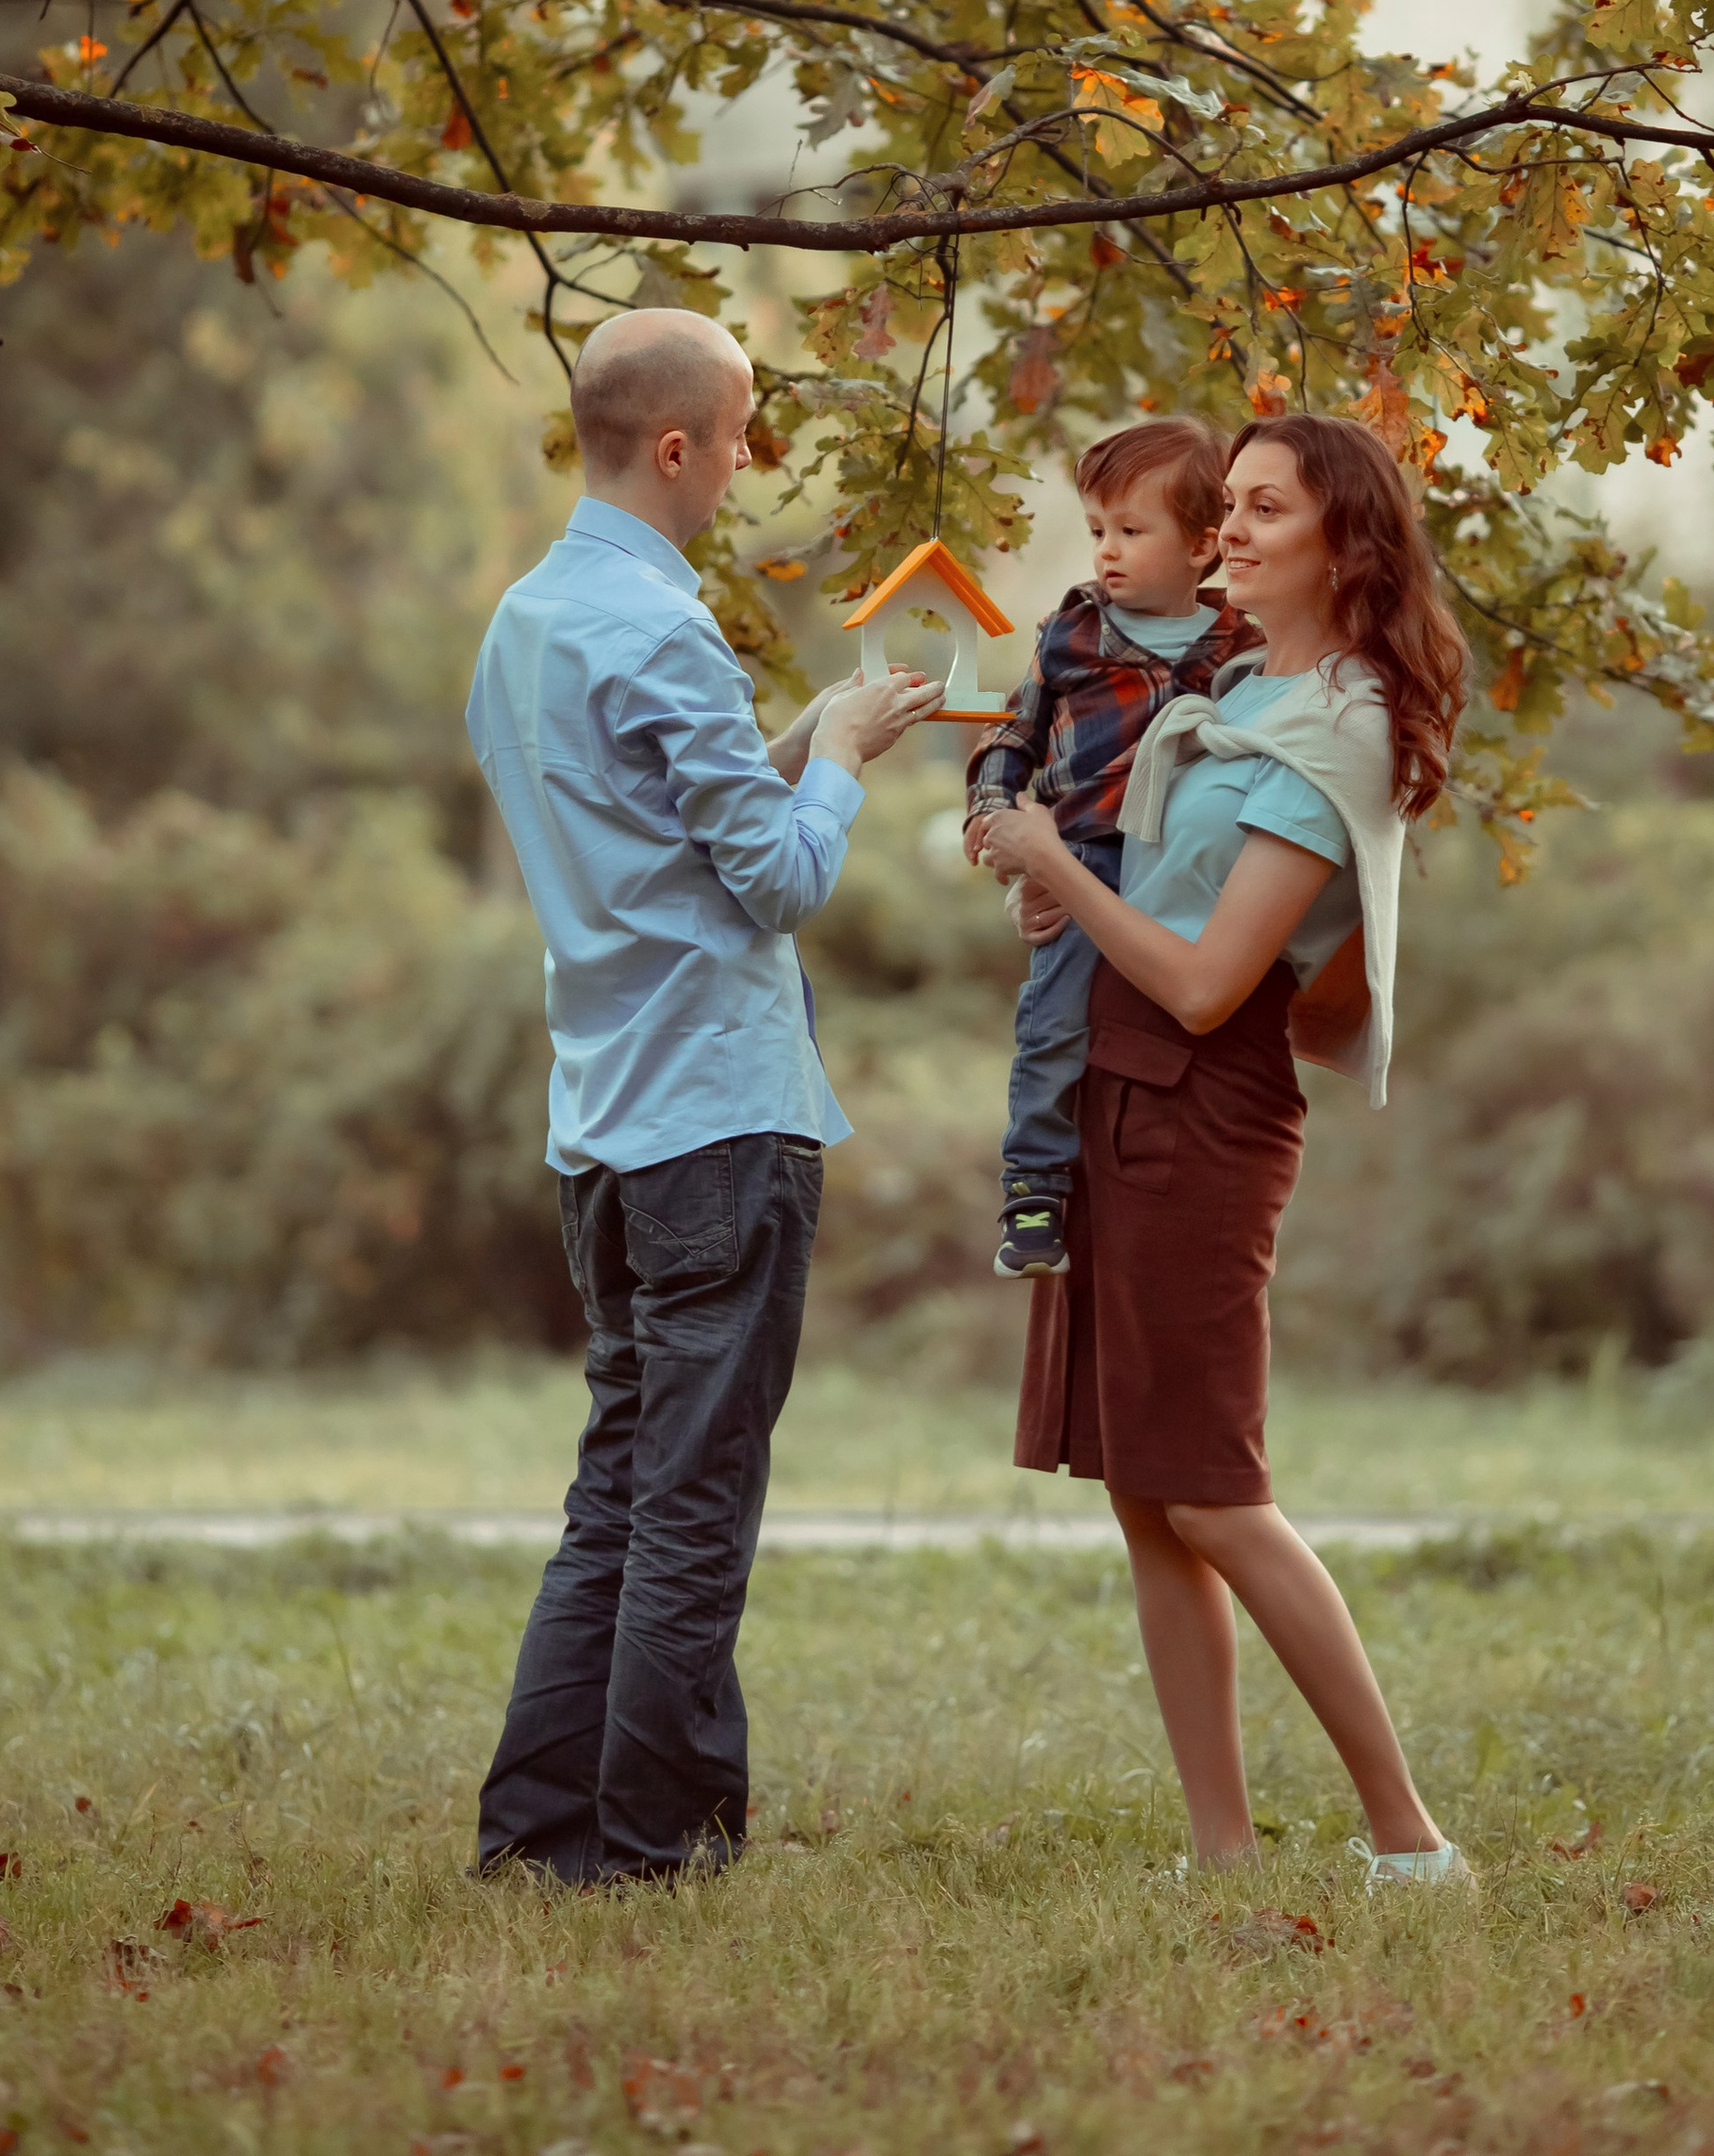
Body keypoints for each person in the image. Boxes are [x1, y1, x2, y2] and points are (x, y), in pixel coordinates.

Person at [465, 306, 940, 1884]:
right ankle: (655, 1846)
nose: (748, 464)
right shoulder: (663, 631)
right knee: (691, 1504)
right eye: (740, 437)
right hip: (716, 1124)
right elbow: (778, 876)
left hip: (600, 1121)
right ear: (677, 447)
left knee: (617, 1488)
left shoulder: (527, 624)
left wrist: (813, 731)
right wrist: (851, 761)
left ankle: (538, 1837)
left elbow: (673, 823)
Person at [975, 409, 1472, 1884]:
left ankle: (1412, 1841)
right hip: (1114, 1089)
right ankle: (1224, 1855)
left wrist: (1059, 858)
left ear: (1346, 538)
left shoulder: (1347, 724)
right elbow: (1156, 903)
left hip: (1200, 1102)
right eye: (1231, 506)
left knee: (1214, 1491)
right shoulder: (1251, 680)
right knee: (1147, 1494)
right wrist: (1059, 893)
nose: (1233, 530)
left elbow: (1207, 980)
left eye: (1265, 509)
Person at [964, 419, 1254, 1278]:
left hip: (1178, 855)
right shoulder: (1072, 632)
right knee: (1054, 1017)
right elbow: (1012, 729)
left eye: (1133, 531)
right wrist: (992, 803)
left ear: (1204, 545)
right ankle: (1033, 1184)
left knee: (1155, 1027)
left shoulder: (1241, 643)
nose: (1108, 552)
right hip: (1085, 850)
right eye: (1098, 530)